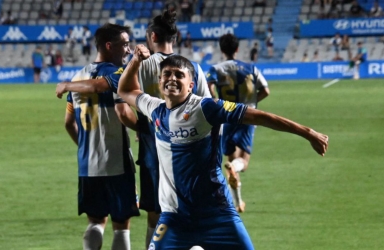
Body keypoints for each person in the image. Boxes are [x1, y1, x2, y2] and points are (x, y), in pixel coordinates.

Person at [117, 46, 329, 250]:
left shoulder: (205, 108)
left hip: (217, 215)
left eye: (179, 75)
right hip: (174, 218)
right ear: (160, 80)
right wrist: (135, 61)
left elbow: (261, 117)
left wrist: (307, 132)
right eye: (167, 74)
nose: (172, 78)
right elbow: (125, 89)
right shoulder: (154, 109)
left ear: (191, 85)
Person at [55, 10, 211, 249]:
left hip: (142, 154)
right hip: (186, 152)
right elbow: (208, 112)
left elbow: (98, 115)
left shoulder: (132, 69)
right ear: (175, 37)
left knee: (152, 216)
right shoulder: (192, 69)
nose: (129, 49)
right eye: (125, 44)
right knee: (187, 214)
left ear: (152, 36)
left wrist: (145, 128)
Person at [57, 23, 140, 250]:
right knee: (121, 225)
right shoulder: (117, 74)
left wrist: (84, 146)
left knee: (95, 222)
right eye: (124, 44)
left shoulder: (77, 77)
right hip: (117, 162)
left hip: (87, 164)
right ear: (108, 45)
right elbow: (123, 112)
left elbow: (68, 123)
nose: (128, 49)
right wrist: (145, 130)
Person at [206, 34, 270, 212]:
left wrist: (216, 102)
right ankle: (235, 169)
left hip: (226, 116)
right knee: (243, 162)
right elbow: (266, 90)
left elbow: (207, 85)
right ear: (237, 49)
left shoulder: (216, 68)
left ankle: (237, 202)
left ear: (221, 50)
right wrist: (252, 103)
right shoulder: (250, 67)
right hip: (247, 115)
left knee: (231, 158)